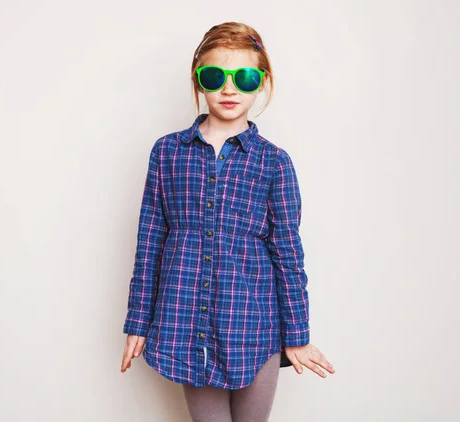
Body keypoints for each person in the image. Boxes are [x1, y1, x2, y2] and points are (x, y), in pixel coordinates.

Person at [120, 21, 335, 422]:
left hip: (255, 326)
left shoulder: (274, 162)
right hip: (185, 323)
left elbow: (288, 253)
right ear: (198, 80)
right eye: (215, 75)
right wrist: (138, 321)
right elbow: (149, 242)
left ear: (262, 82)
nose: (229, 88)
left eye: (245, 77)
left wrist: (298, 335)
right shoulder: (167, 153)